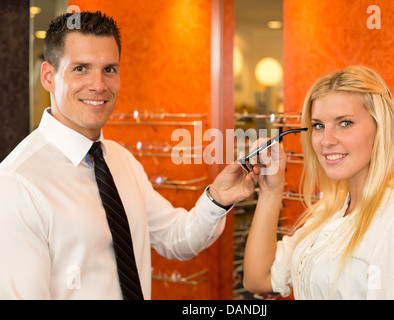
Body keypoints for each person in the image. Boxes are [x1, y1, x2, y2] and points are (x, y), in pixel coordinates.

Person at [0, 11, 260, 299]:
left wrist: (217, 199)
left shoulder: (121, 161)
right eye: (81, 68)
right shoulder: (17, 184)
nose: (99, 85)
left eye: (109, 69)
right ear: (49, 77)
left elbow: (177, 239)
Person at [243, 65, 394, 299]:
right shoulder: (332, 209)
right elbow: (258, 278)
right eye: (319, 125)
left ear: (380, 128)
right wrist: (271, 190)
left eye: (345, 123)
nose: (326, 140)